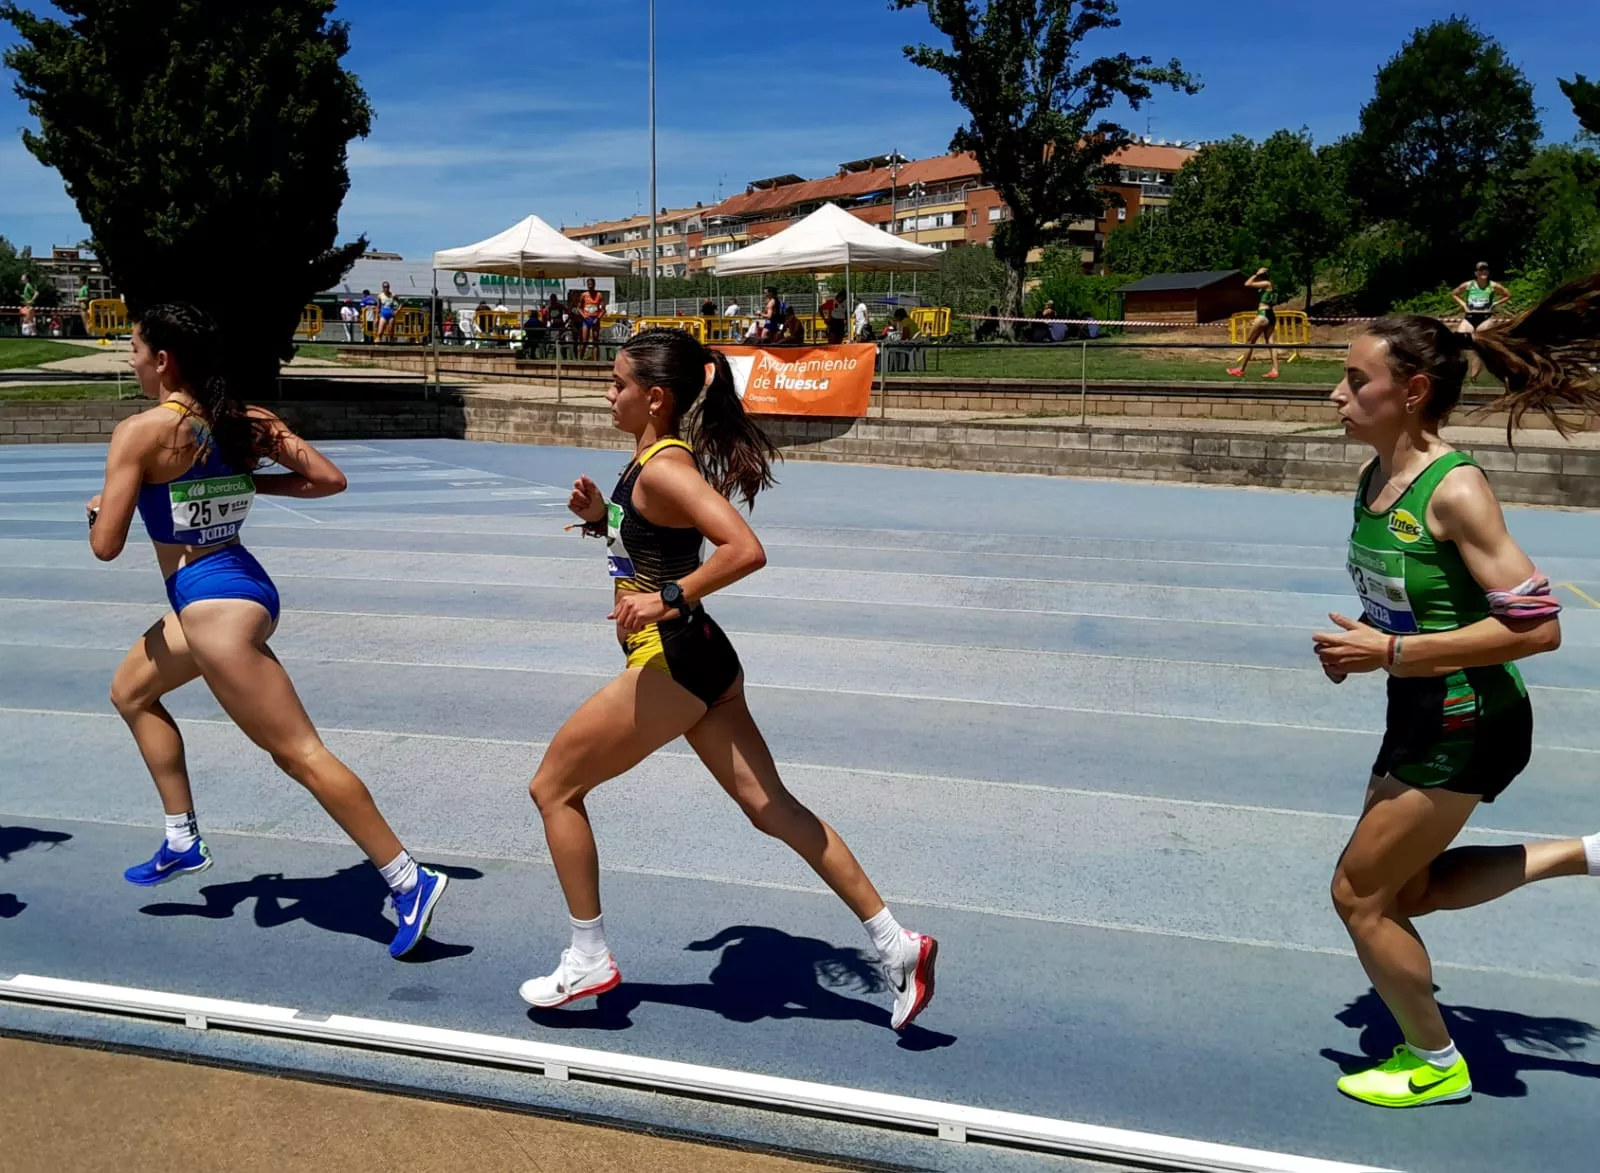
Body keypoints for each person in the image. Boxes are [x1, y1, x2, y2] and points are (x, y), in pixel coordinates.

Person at [519, 329, 939, 1032]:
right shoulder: (653, 459)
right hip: (704, 658)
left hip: (670, 661)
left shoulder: (665, 467)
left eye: (617, 383)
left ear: (655, 397)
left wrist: (667, 598)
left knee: (553, 788)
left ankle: (588, 956)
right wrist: (601, 519)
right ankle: (897, 943)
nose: (608, 393)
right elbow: (654, 536)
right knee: (772, 808)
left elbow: (744, 549)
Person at [1314, 274, 1600, 1109]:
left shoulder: (1456, 488)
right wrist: (1369, 650)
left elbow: (1539, 628)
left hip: (1469, 715)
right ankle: (1585, 854)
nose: (1336, 394)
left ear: (1412, 392)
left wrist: (1394, 652)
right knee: (1409, 890)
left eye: (1355, 380)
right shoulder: (1376, 478)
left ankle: (1435, 1061)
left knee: (1359, 895)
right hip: (1421, 705)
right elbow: (1412, 606)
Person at [85, 303, 448, 957]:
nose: (130, 361)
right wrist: (254, 481)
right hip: (237, 590)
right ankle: (181, 838)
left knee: (299, 754)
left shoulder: (139, 433)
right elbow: (328, 479)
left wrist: (102, 508)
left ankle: (407, 878)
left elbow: (106, 546)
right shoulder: (245, 419)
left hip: (213, 610)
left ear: (162, 360)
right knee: (131, 692)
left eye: (133, 350)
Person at [1450, 262, 1511, 380]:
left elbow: (1507, 294)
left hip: (1485, 318)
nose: (1483, 272)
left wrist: (1495, 303)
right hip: (1469, 317)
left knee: (1480, 344)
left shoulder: (1492, 285)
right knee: (1459, 339)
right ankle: (1457, 369)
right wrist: (1463, 304)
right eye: (1481, 270)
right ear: (1476, 273)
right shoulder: (1469, 285)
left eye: (1485, 270)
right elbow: (1454, 294)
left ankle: (1474, 375)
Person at [1228, 266, 1280, 380]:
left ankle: (1241, 369)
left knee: (1249, 342)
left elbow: (1247, 284)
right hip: (1269, 314)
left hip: (1263, 315)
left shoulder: (1266, 283)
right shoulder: (1268, 285)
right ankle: (1275, 370)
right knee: (1271, 343)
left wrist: (1256, 274)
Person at [578, 278, 607, 360]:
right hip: (586, 320)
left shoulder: (599, 295)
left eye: (592, 284)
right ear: (587, 285)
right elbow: (579, 308)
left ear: (594, 285)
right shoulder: (584, 295)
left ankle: (595, 362)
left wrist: (598, 318)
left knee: (595, 342)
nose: (590, 286)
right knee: (584, 341)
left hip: (595, 319)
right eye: (589, 284)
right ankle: (579, 360)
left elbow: (603, 310)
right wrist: (584, 316)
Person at [19, 272, 36, 337]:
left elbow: (36, 293)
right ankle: (32, 334)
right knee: (29, 320)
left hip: (30, 306)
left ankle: (32, 334)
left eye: (23, 277)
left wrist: (31, 300)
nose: (21, 279)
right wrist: (20, 295)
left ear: (27, 279)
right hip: (27, 305)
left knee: (29, 320)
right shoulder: (26, 286)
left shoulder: (29, 285)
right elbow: (27, 296)